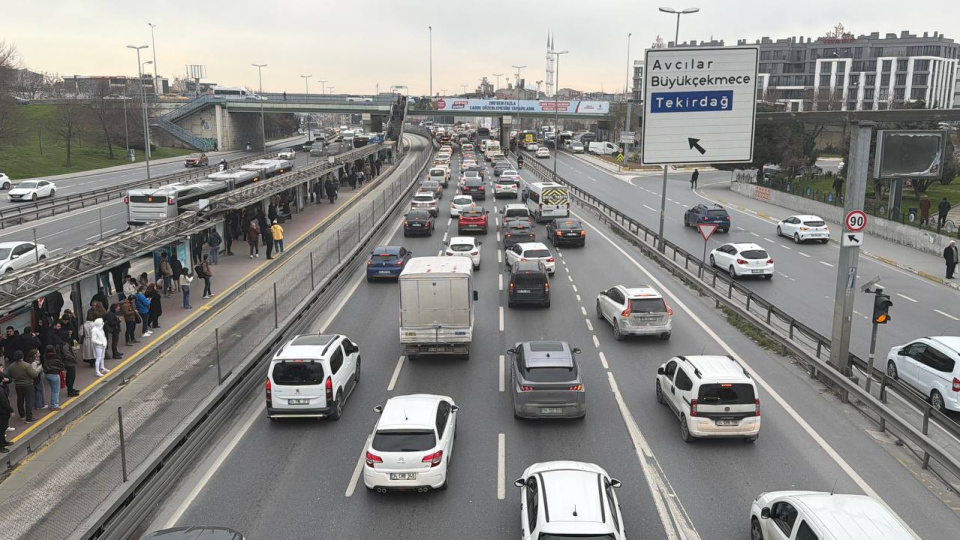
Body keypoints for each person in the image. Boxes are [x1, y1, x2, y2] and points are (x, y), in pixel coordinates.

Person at [7, 351, 38, 423]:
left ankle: (22, 415)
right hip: (28, 384)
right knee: (28, 401)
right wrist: (38, 370)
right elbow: (34, 375)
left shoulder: (11, 366)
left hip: (18, 385)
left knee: (20, 400)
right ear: (22, 356)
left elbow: (9, 376)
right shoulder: (27, 365)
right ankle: (29, 418)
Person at [54, 327, 78, 397]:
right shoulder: (65, 345)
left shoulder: (59, 344)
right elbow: (67, 354)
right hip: (69, 363)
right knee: (71, 376)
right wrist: (74, 358)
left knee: (69, 376)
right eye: (68, 335)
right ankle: (70, 391)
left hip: (64, 362)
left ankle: (71, 389)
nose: (70, 336)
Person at [41, 345, 64, 410]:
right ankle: (54, 405)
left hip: (47, 374)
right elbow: (61, 365)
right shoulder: (55, 357)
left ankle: (53, 404)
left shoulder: (45, 356)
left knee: (53, 390)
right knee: (55, 391)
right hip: (54, 374)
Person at [0, 364, 13, 451]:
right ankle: (1, 445)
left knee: (3, 428)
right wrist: (11, 410)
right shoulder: (1, 390)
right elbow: (4, 402)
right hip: (2, 412)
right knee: (1, 428)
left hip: (3, 411)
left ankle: (4, 442)